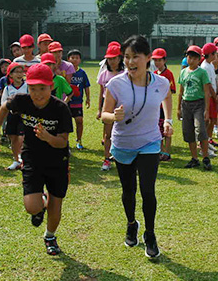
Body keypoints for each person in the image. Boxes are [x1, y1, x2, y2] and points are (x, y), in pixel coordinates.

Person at [100, 35, 173, 258]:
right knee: (128, 191)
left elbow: (167, 98)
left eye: (135, 57)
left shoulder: (161, 82)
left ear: (148, 58)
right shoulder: (115, 83)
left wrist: (168, 120)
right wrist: (113, 115)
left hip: (150, 142)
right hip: (123, 144)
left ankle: (150, 234)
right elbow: (103, 115)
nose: (130, 62)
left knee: (148, 191)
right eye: (127, 58)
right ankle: (132, 224)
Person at [0, 64, 73, 256]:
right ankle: (40, 201)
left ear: (51, 87)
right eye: (33, 88)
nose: (37, 94)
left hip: (57, 160)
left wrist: (48, 137)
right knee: (32, 207)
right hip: (32, 158)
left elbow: (62, 142)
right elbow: (3, 107)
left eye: (42, 88)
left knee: (56, 203)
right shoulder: (21, 100)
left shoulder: (60, 108)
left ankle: (50, 236)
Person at [178, 45, 213, 170]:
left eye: (194, 58)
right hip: (186, 104)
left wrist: (207, 110)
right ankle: (194, 158)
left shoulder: (202, 72)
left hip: (198, 104)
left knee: (201, 130)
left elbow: (207, 92)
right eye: (189, 57)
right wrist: (178, 108)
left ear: (199, 60)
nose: (191, 60)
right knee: (188, 132)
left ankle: (205, 157)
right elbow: (181, 91)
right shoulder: (183, 72)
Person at [97, 43, 126, 171]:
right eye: (109, 58)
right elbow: (101, 92)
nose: (112, 61)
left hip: (121, 106)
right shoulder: (104, 74)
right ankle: (107, 158)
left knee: (122, 133)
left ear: (119, 58)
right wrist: (99, 109)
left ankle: (122, 158)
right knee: (107, 134)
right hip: (107, 105)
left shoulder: (125, 73)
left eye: (114, 58)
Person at [1, 63, 28, 170]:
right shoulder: (7, 89)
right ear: (10, 75)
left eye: (21, 72)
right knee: (13, 138)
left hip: (23, 117)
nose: (19, 74)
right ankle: (16, 160)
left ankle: (23, 160)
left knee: (21, 138)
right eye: (16, 72)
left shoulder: (27, 86)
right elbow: (3, 103)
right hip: (11, 116)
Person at [151, 48, 176, 161]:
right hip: (156, 107)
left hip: (164, 108)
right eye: (155, 60)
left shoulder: (168, 74)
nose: (157, 63)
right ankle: (160, 151)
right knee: (158, 130)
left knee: (167, 130)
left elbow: (172, 90)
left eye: (159, 60)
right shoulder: (154, 74)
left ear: (164, 60)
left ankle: (167, 151)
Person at [66, 49, 91, 150]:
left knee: (79, 120)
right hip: (66, 101)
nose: (74, 60)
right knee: (66, 123)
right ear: (68, 59)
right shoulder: (65, 72)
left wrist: (88, 98)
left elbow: (86, 86)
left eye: (77, 58)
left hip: (77, 102)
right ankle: (65, 142)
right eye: (72, 58)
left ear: (80, 60)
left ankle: (79, 140)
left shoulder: (82, 73)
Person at [201, 43, 218, 158]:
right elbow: (208, 85)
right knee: (207, 121)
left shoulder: (210, 65)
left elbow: (214, 82)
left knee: (213, 119)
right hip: (208, 97)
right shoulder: (205, 66)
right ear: (211, 54)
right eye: (215, 53)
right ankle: (203, 145)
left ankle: (208, 141)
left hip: (213, 96)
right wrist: (215, 97)